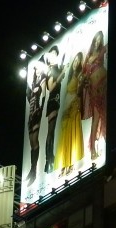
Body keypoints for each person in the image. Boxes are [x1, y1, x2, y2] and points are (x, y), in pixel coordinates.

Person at [53, 50, 85, 178]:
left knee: (73, 135)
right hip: (66, 110)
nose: (75, 63)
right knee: (65, 138)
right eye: (75, 60)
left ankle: (70, 164)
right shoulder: (70, 76)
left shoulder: (79, 76)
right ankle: (64, 165)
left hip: (74, 108)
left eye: (78, 61)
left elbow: (78, 93)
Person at [80, 29, 107, 161]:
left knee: (105, 114)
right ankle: (93, 150)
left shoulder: (103, 50)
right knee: (96, 117)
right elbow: (83, 75)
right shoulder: (88, 58)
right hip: (93, 90)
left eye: (99, 40)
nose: (97, 42)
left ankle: (107, 142)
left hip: (103, 85)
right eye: (96, 40)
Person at [24, 59, 47, 185]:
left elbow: (43, 95)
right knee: (32, 142)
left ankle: (34, 170)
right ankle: (32, 170)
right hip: (31, 113)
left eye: (38, 68)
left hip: (36, 111)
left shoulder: (42, 79)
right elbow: (29, 98)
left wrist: (40, 110)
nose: (36, 71)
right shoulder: (32, 83)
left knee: (35, 140)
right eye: (35, 69)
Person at [42, 46, 64, 174]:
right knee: (51, 131)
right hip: (53, 101)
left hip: (55, 100)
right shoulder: (51, 70)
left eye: (55, 54)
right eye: (52, 54)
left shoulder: (54, 68)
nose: (53, 56)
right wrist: (61, 75)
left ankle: (49, 160)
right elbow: (51, 87)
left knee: (52, 131)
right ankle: (49, 160)